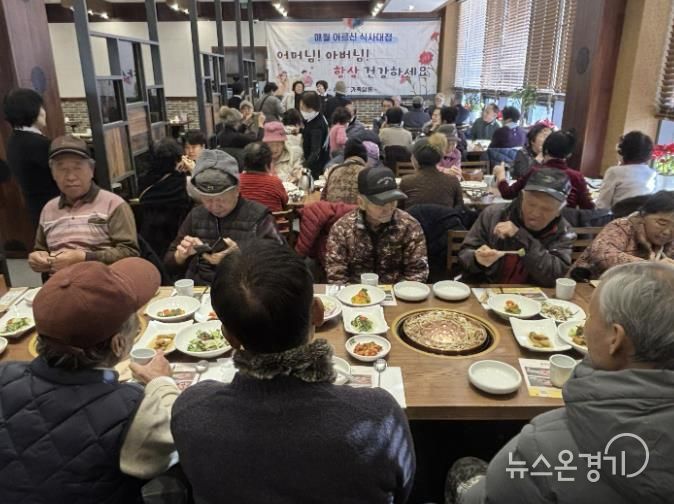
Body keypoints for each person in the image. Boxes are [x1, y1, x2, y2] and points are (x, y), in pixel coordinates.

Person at [171, 240, 415, 504]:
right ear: (318, 312)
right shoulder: (379, 417)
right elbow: (403, 492)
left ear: (228, 336)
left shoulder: (190, 411)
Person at [450, 261, 674, 504]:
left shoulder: (542, 448)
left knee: (464, 469)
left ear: (615, 339)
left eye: (591, 316)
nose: (585, 326)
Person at [0, 257, 178, 503]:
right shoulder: (130, 409)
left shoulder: (5, 374)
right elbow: (171, 447)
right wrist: (162, 383)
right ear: (118, 344)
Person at [165, 149, 283, 285]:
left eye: (221, 199)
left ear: (237, 190)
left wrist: (240, 257)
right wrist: (180, 256)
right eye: (207, 200)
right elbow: (168, 264)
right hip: (200, 289)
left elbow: (282, 263)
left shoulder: (259, 216)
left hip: (244, 288)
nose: (214, 206)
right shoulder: (196, 214)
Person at [28, 136, 139, 275]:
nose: (70, 177)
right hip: (59, 283)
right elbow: (41, 249)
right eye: (62, 169)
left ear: (91, 169)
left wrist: (86, 257)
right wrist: (38, 259)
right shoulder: (48, 209)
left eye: (77, 168)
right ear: (53, 173)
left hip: (103, 282)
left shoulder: (114, 204)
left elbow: (130, 252)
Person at [458, 168, 576, 286]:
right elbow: (464, 256)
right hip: (486, 290)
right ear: (522, 196)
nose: (535, 213)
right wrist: (477, 259)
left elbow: (555, 277)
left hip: (534, 296)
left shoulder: (564, 232)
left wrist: (520, 236)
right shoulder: (494, 215)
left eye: (546, 209)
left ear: (559, 211)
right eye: (531, 204)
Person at [325, 166, 429, 284]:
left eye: (393, 201)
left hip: (398, 291)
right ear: (361, 203)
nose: (389, 208)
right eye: (381, 203)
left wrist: (402, 292)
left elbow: (417, 273)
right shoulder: (343, 228)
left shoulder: (409, 226)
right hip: (355, 291)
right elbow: (336, 275)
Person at [570, 191, 674, 280]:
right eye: (662, 223)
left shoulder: (670, 241)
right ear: (643, 215)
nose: (667, 232)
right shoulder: (622, 227)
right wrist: (651, 266)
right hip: (589, 284)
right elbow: (602, 254)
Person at [495, 129, 594, 209]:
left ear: (545, 149)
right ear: (569, 155)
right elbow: (588, 207)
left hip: (534, 224)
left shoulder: (535, 172)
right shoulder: (577, 177)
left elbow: (507, 194)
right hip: (565, 226)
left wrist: (501, 176)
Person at [3, 88, 59, 226]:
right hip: (55, 210)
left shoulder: (14, 139)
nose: (44, 111)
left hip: (36, 209)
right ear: (32, 110)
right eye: (41, 107)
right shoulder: (38, 144)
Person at [138, 137, 193, 258]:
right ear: (176, 160)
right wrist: (193, 170)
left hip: (149, 243)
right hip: (175, 241)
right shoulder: (183, 183)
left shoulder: (143, 181)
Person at [596, 131, 656, 209]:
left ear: (623, 150)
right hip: (641, 215)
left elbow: (602, 205)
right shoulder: (651, 173)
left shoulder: (614, 172)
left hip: (619, 215)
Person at [399, 136, 463, 210]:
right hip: (445, 217)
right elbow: (460, 209)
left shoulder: (407, 181)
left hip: (414, 217)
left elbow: (400, 209)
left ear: (415, 160)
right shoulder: (453, 181)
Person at [239, 142, 288, 213]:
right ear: (268, 162)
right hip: (273, 219)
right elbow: (285, 201)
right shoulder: (274, 182)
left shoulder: (236, 181)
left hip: (244, 219)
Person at [321, 138, 369, 204]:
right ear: (364, 157)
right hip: (355, 210)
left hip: (334, 210)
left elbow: (323, 199)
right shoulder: (368, 174)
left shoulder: (334, 170)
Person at [300, 91, 330, 179]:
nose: (301, 110)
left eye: (303, 107)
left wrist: (303, 167)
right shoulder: (315, 117)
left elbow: (315, 153)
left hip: (315, 168)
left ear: (311, 107)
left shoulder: (317, 127)